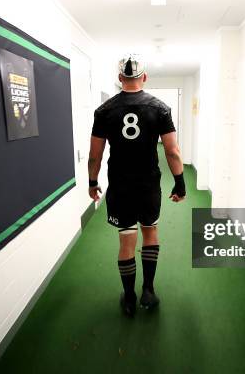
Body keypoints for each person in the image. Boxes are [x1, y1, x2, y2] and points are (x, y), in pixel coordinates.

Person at [87, 54, 186, 317]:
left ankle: (129, 298)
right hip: (148, 185)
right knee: (150, 233)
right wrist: (180, 183)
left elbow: (94, 155)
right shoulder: (161, 108)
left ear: (120, 79)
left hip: (120, 186)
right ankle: (149, 291)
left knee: (126, 240)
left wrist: (92, 181)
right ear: (144, 77)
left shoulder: (103, 111)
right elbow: (172, 151)